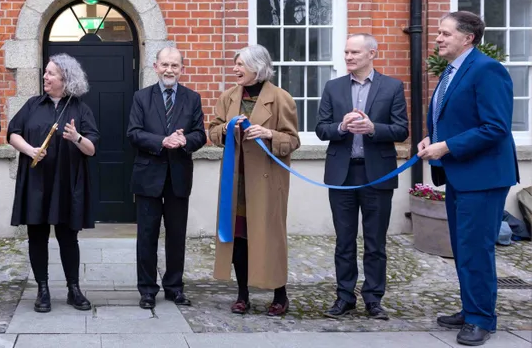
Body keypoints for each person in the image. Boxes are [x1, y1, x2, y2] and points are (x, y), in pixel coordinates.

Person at [418, 11, 519, 346]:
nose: (438, 38)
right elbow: (452, 118)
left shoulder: (487, 69)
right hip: (460, 175)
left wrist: (446, 146)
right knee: (463, 249)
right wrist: (430, 140)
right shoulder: (453, 71)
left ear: (468, 38)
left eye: (446, 33)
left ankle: (481, 319)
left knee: (475, 249)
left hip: (483, 177)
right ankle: (471, 307)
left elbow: (495, 127)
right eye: (438, 32)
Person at [315, 33, 409, 321]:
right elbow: (321, 129)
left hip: (377, 174)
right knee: (344, 240)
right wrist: (341, 127)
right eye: (346, 52)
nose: (348, 57)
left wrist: (373, 129)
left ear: (372, 54)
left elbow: (401, 130)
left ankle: (373, 299)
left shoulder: (392, 87)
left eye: (355, 52)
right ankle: (344, 297)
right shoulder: (333, 87)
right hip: (342, 173)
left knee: (375, 242)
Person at [208, 44, 299, 316]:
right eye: (235, 64)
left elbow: (293, 140)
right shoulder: (228, 97)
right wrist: (226, 128)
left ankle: (280, 294)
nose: (235, 69)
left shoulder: (281, 98)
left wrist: (269, 135)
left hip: (267, 182)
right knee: (238, 237)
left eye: (240, 65)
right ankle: (242, 294)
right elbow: (213, 131)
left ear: (257, 68)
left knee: (271, 237)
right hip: (236, 181)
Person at [8, 53, 99, 313]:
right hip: (37, 181)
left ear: (65, 79)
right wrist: (29, 150)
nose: (45, 77)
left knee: (68, 237)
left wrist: (77, 137)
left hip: (67, 181)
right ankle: (43, 289)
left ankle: (73, 289)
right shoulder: (33, 105)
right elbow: (12, 133)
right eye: (46, 72)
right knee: (37, 236)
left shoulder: (80, 109)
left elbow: (92, 149)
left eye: (51, 73)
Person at [127, 47, 206, 309]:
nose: (169, 70)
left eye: (175, 65)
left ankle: (174, 287)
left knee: (176, 235)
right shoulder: (141, 97)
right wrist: (162, 140)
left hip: (178, 177)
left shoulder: (192, 98)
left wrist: (184, 140)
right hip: (148, 175)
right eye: (165, 65)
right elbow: (134, 133)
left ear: (182, 69)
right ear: (155, 67)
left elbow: (200, 134)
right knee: (147, 235)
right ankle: (147, 289)